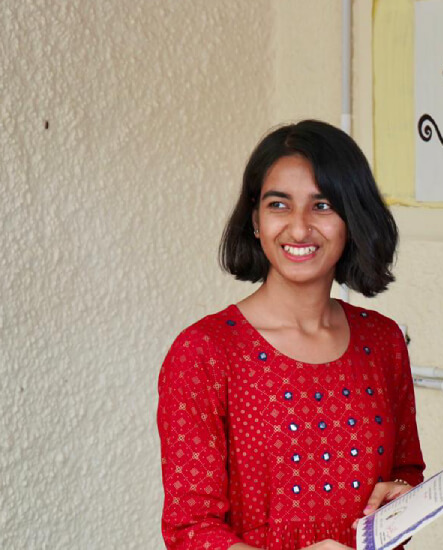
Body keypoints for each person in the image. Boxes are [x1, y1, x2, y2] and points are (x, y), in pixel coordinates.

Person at [158, 120, 424, 550]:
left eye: (322, 206)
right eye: (279, 205)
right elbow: (192, 529)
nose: (299, 229)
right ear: (255, 220)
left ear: (353, 219)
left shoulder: (384, 342)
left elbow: (407, 472)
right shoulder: (205, 352)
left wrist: (405, 498)